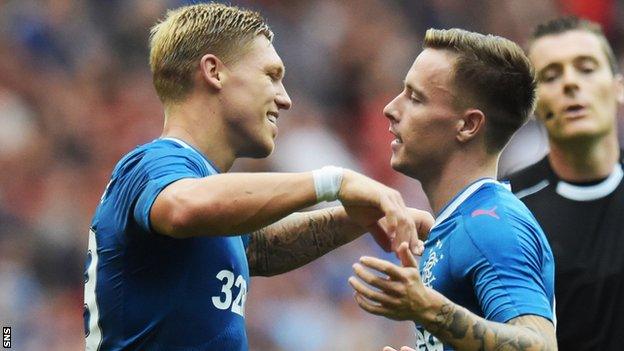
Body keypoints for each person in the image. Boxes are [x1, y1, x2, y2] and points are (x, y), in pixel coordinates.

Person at [82, 3, 432, 350]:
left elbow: (258, 249)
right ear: (214, 72)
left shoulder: (213, 207)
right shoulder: (151, 163)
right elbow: (181, 207)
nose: (285, 99)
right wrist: (335, 183)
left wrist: (357, 218)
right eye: (272, 76)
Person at [347, 28, 557, 350]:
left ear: (468, 125)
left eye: (415, 98)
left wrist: (431, 309)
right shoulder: (457, 223)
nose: (391, 108)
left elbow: (540, 346)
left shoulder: (491, 225)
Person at [507, 17, 624, 350]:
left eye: (586, 68)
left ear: (618, 87)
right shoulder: (507, 210)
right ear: (531, 104)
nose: (571, 83)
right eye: (551, 76)